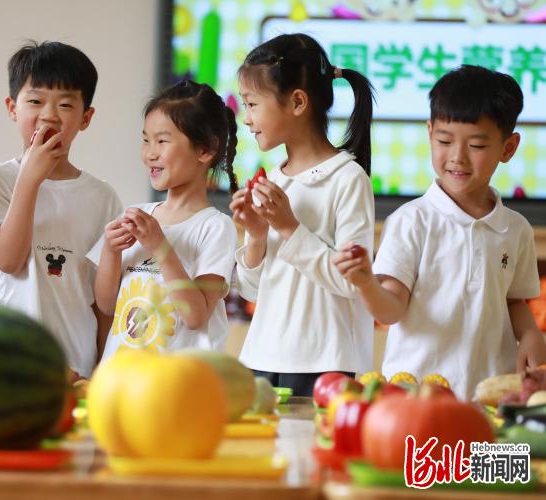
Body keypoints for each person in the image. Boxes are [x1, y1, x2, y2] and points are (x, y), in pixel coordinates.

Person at [334, 65, 546, 399]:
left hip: (491, 396)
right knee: (419, 455)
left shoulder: (515, 229)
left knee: (512, 454)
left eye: (477, 146)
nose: (457, 157)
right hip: (416, 398)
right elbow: (391, 309)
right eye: (444, 141)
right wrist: (365, 282)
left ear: (508, 148)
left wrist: (532, 334)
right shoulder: (411, 221)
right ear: (430, 132)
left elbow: (514, 300)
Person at [231, 33, 376, 396]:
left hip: (323, 363)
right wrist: (257, 234)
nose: (246, 119)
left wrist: (289, 227)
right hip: (263, 356)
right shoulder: (276, 178)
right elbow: (251, 289)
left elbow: (351, 282)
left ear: (297, 102)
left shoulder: (348, 179)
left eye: (252, 104)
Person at [0, 41, 122, 378]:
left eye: (66, 104)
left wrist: (101, 367)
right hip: (4, 364)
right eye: (36, 101)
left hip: (75, 366)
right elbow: (8, 260)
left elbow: (103, 302)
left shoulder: (103, 198)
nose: (49, 114)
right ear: (13, 108)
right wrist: (29, 180)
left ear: (86, 118)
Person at [89, 80, 238, 360]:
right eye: (146, 140)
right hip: (124, 376)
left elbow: (195, 316)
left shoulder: (215, 227)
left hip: (177, 383)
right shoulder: (136, 214)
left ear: (205, 150)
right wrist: (110, 250)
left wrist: (160, 246)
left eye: (162, 141)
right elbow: (107, 305)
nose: (150, 153)